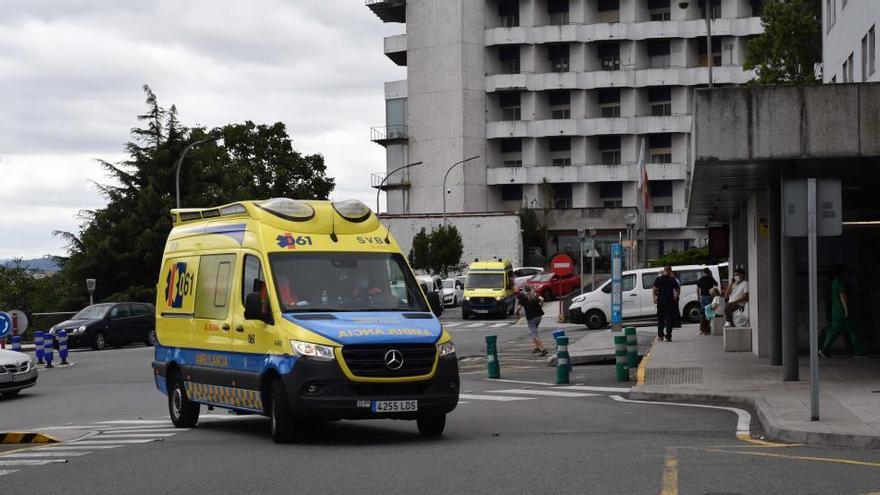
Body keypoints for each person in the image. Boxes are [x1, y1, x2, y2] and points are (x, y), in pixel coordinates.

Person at [820, 265, 867, 359]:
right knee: (853, 331)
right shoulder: (840, 282)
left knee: (834, 331)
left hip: (836, 312)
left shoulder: (834, 282)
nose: (847, 274)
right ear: (842, 273)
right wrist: (846, 309)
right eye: (846, 272)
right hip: (843, 312)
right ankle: (859, 353)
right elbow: (842, 295)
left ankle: (824, 350)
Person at [516, 284, 548, 356]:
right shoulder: (534, 294)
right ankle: (537, 347)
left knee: (534, 334)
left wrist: (517, 312)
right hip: (539, 316)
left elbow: (519, 307)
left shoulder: (522, 296)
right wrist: (540, 305)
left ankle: (543, 349)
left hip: (531, 318)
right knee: (533, 332)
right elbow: (542, 299)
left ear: (524, 290)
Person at [653, 266, 680, 342]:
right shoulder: (672, 279)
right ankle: (668, 336)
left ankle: (660, 336)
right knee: (669, 319)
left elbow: (654, 289)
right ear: (670, 271)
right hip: (670, 302)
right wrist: (675, 296)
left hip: (661, 301)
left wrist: (655, 298)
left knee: (660, 319)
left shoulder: (658, 279)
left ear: (664, 270)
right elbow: (677, 290)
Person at [697, 267, 718, 335]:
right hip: (709, 297)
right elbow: (716, 284)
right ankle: (708, 330)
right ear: (709, 272)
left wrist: (698, 297)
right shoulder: (711, 278)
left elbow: (698, 289)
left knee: (703, 312)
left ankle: (702, 329)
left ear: (703, 272)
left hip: (702, 297)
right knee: (709, 313)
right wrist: (712, 276)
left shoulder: (700, 279)